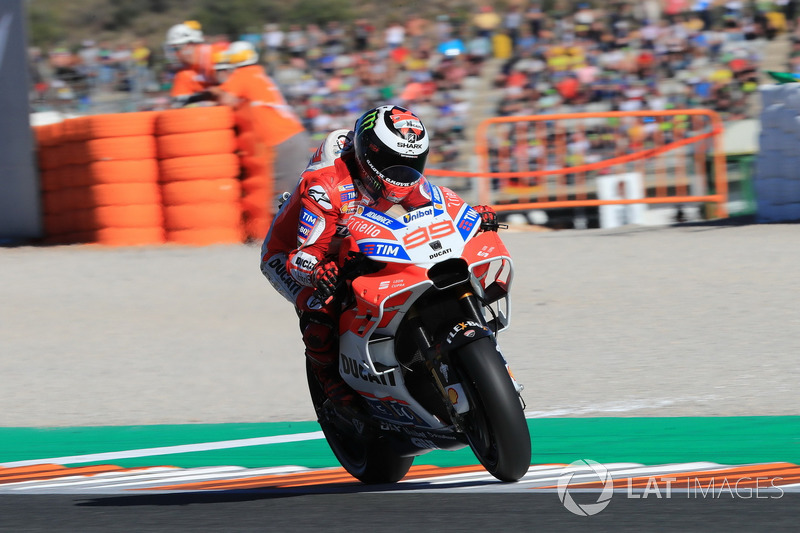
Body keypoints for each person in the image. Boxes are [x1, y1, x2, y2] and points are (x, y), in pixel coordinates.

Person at [259, 104, 499, 407]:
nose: (402, 174)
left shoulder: (405, 177)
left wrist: (472, 216)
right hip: (293, 252)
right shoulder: (326, 187)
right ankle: (330, 384)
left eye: (412, 163)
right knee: (322, 307)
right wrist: (318, 272)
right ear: (366, 153)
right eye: (392, 162)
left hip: (354, 240)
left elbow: (435, 206)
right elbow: (302, 257)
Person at [210, 41, 310, 207]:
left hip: (282, 141)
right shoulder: (258, 74)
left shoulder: (243, 74)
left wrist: (207, 95)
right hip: (291, 137)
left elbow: (225, 102)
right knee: (290, 193)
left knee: (281, 197)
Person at [164, 21, 219, 106]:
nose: (174, 54)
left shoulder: (215, 56)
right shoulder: (183, 74)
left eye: (176, 49)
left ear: (189, 45)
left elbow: (233, 92)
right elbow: (178, 106)